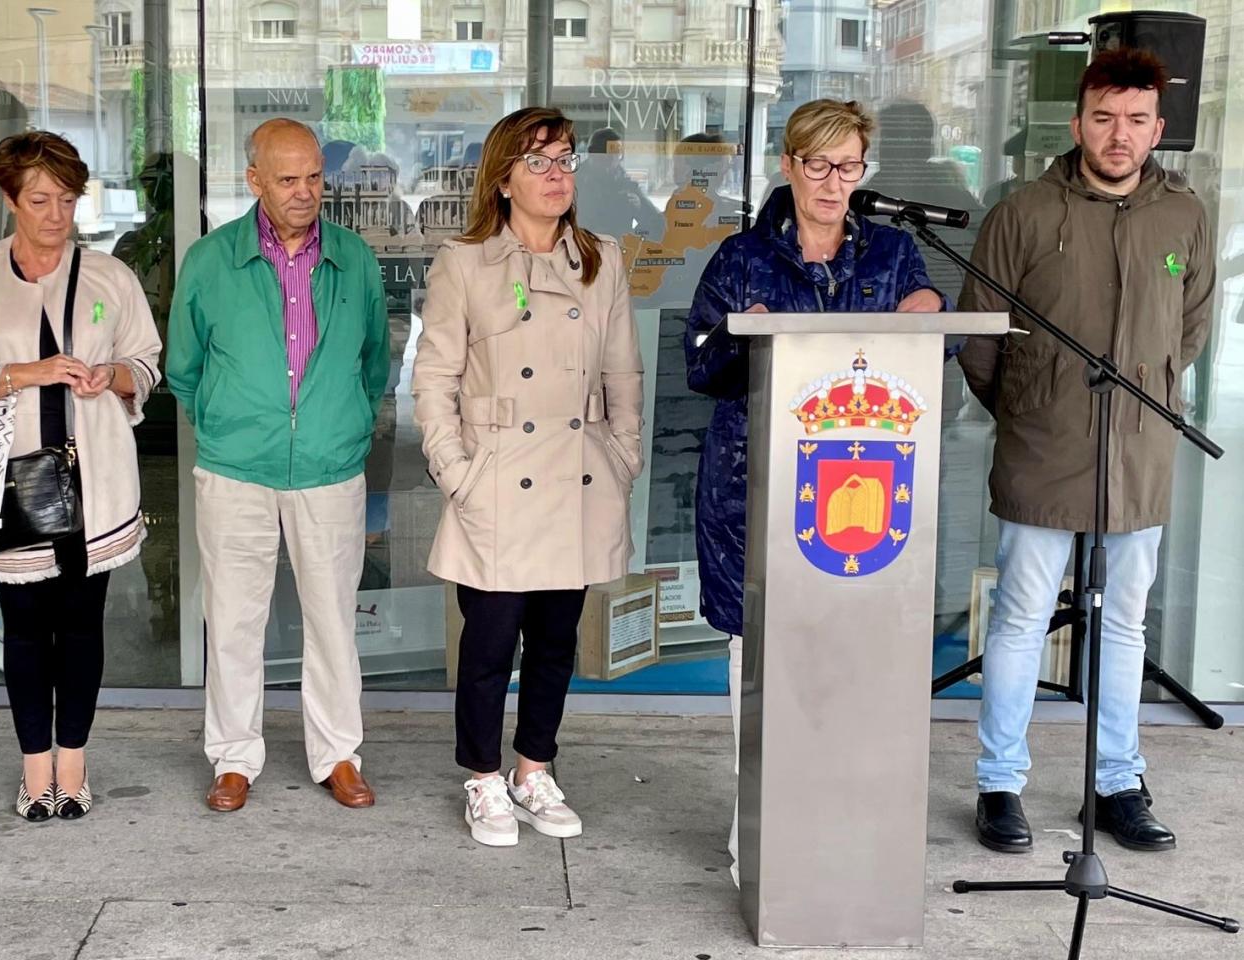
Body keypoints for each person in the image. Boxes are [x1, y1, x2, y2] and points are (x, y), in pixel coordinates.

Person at [959, 49, 1213, 855]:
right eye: (1104, 118)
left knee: (1125, 625)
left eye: (1137, 121)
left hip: (1138, 452)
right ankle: (1000, 783)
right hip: (1043, 445)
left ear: (1158, 130)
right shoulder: (1023, 212)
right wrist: (1028, 407)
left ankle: (1117, 783)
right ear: (1077, 123)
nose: (1119, 135)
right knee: (1021, 619)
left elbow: (1192, 325)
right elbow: (979, 337)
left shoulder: (1186, 214)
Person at [684, 99, 944, 882]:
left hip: (865, 497)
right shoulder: (740, 258)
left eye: (850, 166)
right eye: (820, 165)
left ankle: (843, 827)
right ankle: (758, 831)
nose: (835, 183)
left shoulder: (895, 253)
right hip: (753, 494)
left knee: (853, 661)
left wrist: (935, 315)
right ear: (790, 165)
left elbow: (940, 344)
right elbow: (701, 367)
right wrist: (741, 334)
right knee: (761, 662)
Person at [412, 107, 645, 848]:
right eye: (539, 162)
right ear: (504, 178)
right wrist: (456, 470)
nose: (557, 176)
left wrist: (624, 455)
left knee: (555, 641)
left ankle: (533, 768)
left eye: (566, 160)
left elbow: (621, 371)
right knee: (488, 643)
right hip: (498, 476)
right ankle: (483, 778)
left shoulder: (601, 257)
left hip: (577, 474)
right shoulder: (464, 261)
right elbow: (434, 376)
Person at [0, 131, 161, 821]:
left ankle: (75, 765)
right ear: (9, 199)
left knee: (83, 625)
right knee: (24, 627)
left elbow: (145, 361)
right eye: (39, 199)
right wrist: (28, 373)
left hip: (97, 478)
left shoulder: (109, 277)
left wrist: (107, 376)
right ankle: (34, 772)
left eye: (67, 199)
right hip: (8, 482)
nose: (55, 214)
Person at [166, 118, 390, 813]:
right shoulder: (210, 261)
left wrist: (339, 419)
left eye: (315, 177)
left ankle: (339, 755)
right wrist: (232, 427)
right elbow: (184, 369)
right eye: (288, 179)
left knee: (332, 619)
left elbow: (374, 362)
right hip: (237, 468)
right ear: (253, 180)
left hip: (328, 465)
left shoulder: (354, 259)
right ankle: (234, 758)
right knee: (234, 619)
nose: (305, 192)